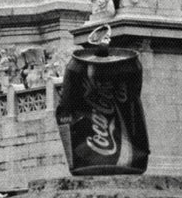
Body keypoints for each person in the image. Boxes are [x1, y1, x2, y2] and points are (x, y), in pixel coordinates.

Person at [53, 24, 149, 175]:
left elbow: (64, 109)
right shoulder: (129, 65)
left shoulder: (75, 67)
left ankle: (101, 157)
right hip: (129, 161)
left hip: (87, 162)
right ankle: (126, 158)